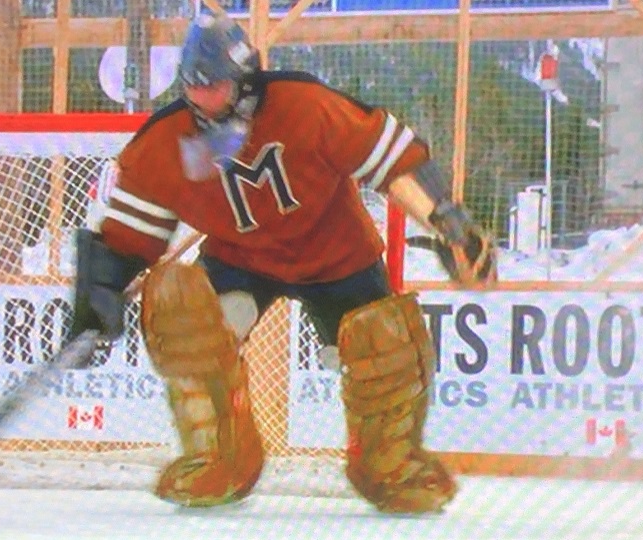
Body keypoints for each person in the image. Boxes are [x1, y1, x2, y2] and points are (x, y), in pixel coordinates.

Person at [71, 13, 495, 513]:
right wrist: (98, 296)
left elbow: (389, 157)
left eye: (215, 86)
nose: (203, 99)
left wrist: (446, 222)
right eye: (193, 86)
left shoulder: (305, 105)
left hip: (336, 253)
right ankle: (220, 458)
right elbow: (127, 233)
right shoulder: (167, 141)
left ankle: (388, 464)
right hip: (240, 258)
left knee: (386, 346)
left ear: (244, 80)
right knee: (185, 314)